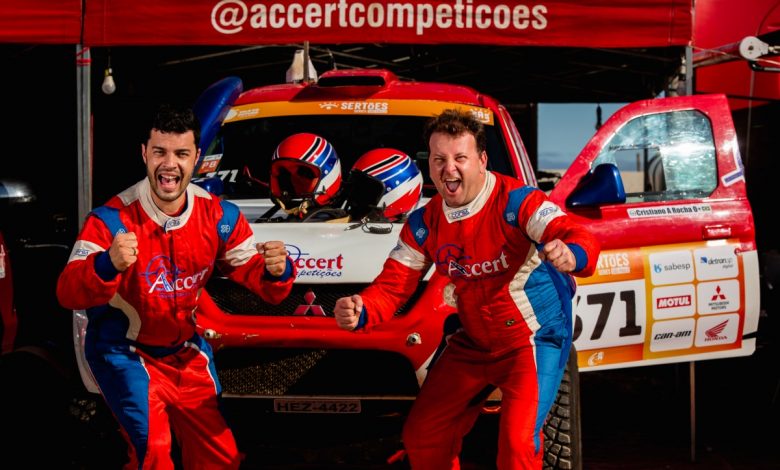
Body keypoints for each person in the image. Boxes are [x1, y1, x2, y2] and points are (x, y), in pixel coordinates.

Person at [333, 109, 600, 469]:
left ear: (481, 160)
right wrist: (361, 308)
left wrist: (573, 253)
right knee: (423, 435)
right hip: (474, 342)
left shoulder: (518, 201)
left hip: (532, 341)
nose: (449, 169)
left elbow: (574, 233)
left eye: (460, 158)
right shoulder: (425, 222)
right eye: (439, 159)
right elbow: (392, 287)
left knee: (517, 445)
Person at [57, 104, 296, 470]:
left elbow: (265, 284)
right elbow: (67, 292)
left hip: (185, 351)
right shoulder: (110, 219)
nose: (169, 165)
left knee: (221, 456)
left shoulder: (219, 215)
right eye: (160, 152)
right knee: (153, 449)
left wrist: (278, 271)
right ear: (144, 154)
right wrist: (106, 263)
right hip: (124, 353)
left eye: (181, 154)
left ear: (197, 157)